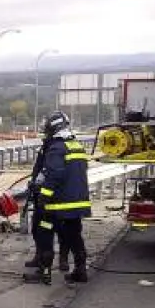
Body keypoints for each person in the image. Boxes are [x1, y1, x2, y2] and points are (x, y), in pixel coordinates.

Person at [24, 111, 91, 285]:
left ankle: (44, 272)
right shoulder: (76, 145)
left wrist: (43, 196)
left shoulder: (56, 148)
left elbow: (54, 175)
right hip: (76, 205)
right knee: (75, 237)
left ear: (53, 128)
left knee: (44, 235)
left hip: (57, 206)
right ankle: (81, 271)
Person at [25, 128, 70, 272]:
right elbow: (39, 168)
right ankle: (40, 257)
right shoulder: (46, 147)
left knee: (62, 230)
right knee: (38, 229)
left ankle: (62, 259)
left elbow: (56, 173)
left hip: (57, 197)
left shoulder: (61, 146)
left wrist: (45, 192)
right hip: (42, 195)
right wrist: (34, 183)